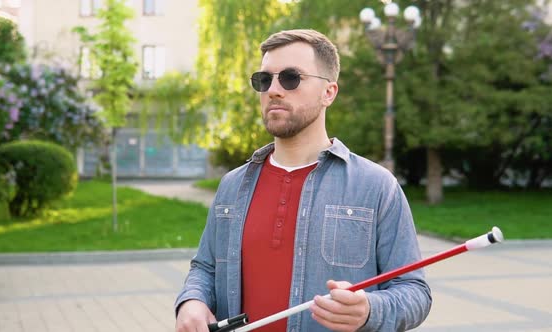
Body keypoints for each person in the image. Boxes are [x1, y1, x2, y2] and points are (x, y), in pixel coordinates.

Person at [175, 29, 431, 332]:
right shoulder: (232, 185)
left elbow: (414, 291)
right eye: (264, 79)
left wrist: (370, 311)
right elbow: (205, 268)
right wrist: (192, 300)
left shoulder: (376, 186)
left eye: (291, 78)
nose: (273, 90)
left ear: (329, 92)